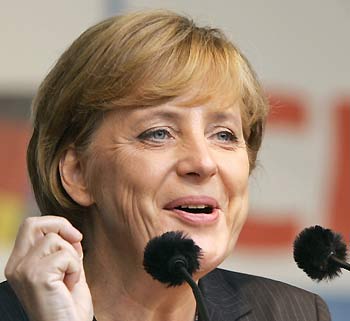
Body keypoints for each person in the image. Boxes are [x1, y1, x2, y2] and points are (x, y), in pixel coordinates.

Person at [0, 9, 330, 321]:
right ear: (77, 173)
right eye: (159, 133)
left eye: (225, 135)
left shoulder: (293, 312)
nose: (203, 162)